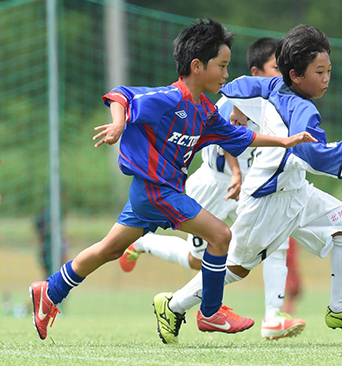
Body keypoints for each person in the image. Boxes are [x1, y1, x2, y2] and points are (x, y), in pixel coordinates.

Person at [29, 19, 316, 342]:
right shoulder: (169, 98)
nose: (225, 74)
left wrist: (284, 142)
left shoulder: (204, 112)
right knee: (221, 236)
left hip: (152, 193)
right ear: (197, 66)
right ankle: (210, 313)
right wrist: (118, 125)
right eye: (221, 66)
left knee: (109, 249)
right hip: (155, 190)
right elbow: (120, 96)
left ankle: (49, 291)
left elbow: (240, 134)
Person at [155, 24, 342, 344]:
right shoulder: (302, 110)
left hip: (296, 190)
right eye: (319, 71)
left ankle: (339, 307)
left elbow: (236, 86)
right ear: (295, 75)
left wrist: (236, 106)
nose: (326, 78)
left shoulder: (270, 85)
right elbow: (314, 156)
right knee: (237, 268)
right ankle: (173, 305)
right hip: (268, 197)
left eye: (328, 70)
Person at [118, 37, 306, 340]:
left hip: (250, 186)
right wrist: (235, 172)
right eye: (276, 68)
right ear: (257, 72)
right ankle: (141, 244)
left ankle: (272, 317)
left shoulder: (279, 102)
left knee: (274, 240)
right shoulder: (232, 96)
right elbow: (226, 135)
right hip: (215, 184)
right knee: (198, 259)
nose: (283, 75)